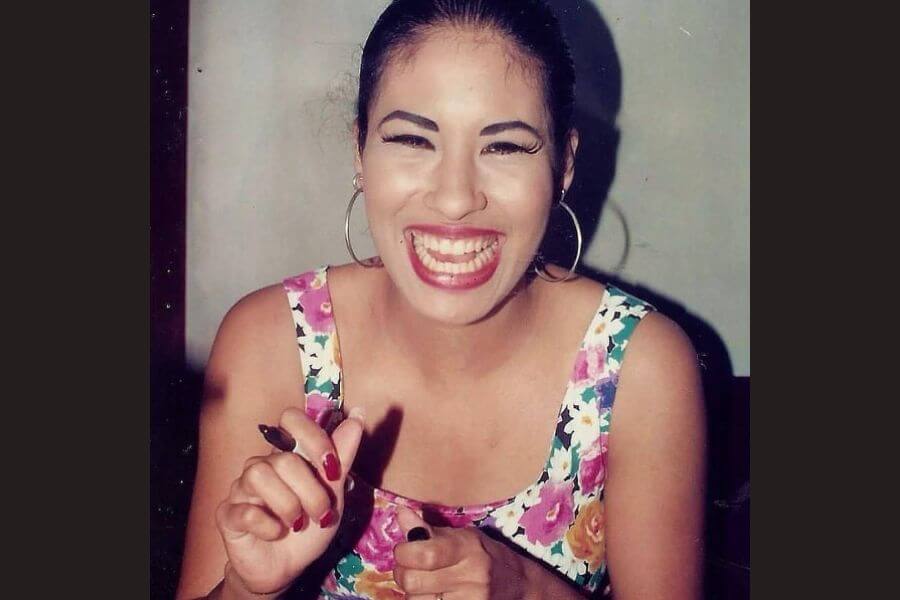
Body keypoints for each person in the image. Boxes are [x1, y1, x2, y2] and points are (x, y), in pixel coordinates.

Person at [176, 1, 706, 598]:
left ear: (564, 165)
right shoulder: (269, 341)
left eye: (504, 147)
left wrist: (525, 589)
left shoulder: (640, 369)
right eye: (411, 138)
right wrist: (251, 588)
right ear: (360, 151)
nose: (455, 199)